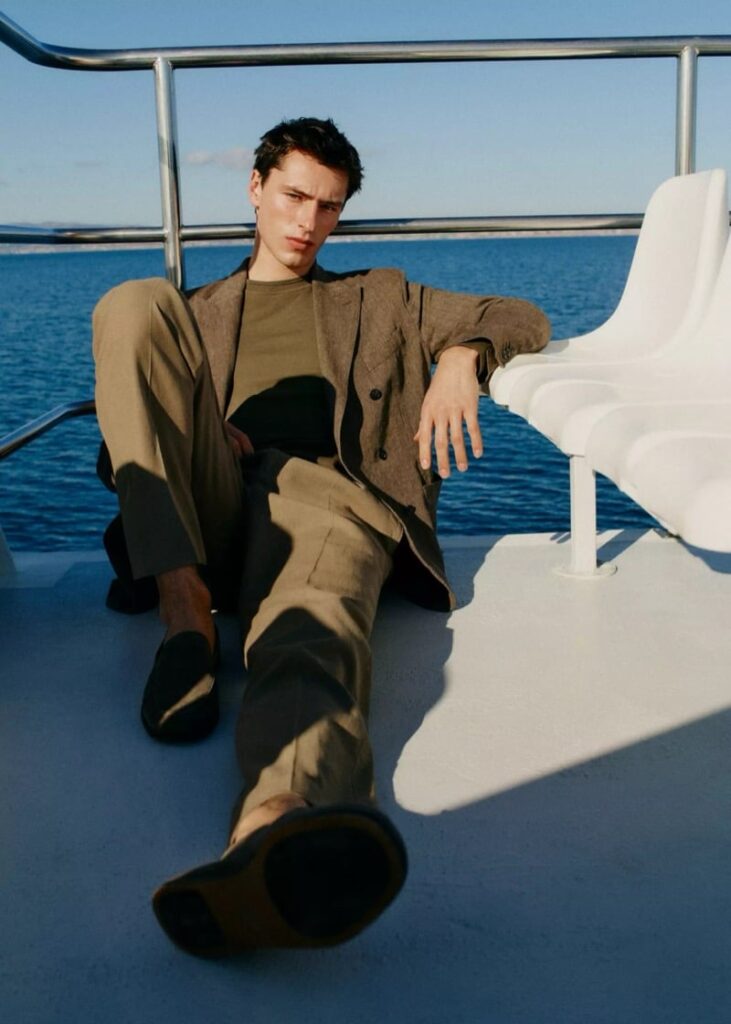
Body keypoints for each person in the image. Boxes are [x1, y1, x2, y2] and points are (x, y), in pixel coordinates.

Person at [92, 116, 550, 957]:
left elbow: (517, 314)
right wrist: (205, 432)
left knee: (312, 627)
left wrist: (462, 358)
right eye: (294, 196)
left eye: (328, 206)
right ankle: (185, 615)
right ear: (255, 187)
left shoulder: (377, 297)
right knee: (130, 302)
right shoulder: (194, 314)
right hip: (212, 506)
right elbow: (119, 455)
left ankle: (273, 829)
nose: (308, 222)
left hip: (327, 499)